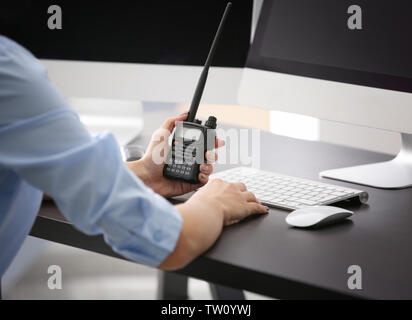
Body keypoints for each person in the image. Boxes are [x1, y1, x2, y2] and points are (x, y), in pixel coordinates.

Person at [0, 35, 268, 277]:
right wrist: (214, 204)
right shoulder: (11, 75)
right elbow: (170, 242)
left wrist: (143, 173)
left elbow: (37, 173)